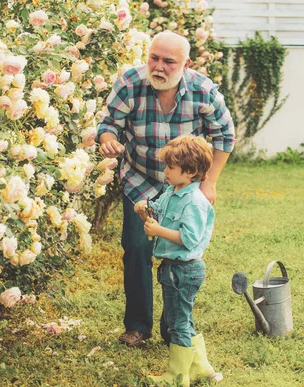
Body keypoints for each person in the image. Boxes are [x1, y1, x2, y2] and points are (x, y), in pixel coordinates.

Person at [96, 30, 235, 347]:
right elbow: (108, 125)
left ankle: (175, 326)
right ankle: (138, 327)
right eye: (153, 58)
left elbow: (225, 137)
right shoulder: (130, 83)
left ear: (186, 64)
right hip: (140, 181)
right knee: (137, 249)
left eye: (168, 61)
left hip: (184, 189)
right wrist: (108, 141)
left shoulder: (203, 91)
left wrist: (209, 182)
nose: (158, 66)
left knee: (181, 257)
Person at [135, 134, 223, 385]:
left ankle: (177, 376)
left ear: (190, 171)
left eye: (170, 167)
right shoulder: (172, 192)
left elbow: (190, 238)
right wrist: (144, 209)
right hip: (172, 268)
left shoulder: (194, 201)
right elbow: (157, 210)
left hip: (184, 270)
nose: (165, 171)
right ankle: (200, 367)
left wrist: (158, 231)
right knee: (182, 318)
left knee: (177, 322)